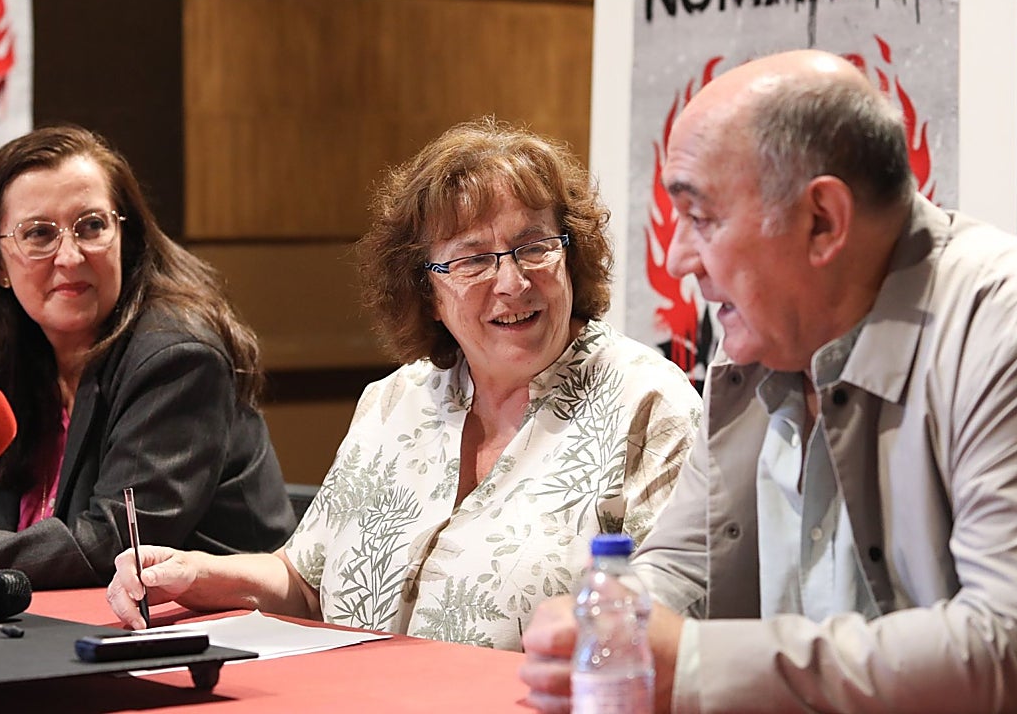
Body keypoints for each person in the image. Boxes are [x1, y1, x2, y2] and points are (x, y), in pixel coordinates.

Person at [520, 50, 1017, 713]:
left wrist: (693, 664)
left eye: (701, 219)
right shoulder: (765, 335)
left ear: (822, 222)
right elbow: (684, 567)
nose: (677, 258)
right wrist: (612, 619)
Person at [106, 117, 702, 650]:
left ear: (570, 257)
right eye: (473, 260)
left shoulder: (650, 407)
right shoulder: (395, 400)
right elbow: (306, 582)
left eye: (534, 247)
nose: (513, 282)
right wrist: (198, 573)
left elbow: (669, 630)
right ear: (427, 292)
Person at [0, 125, 295, 589]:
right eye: (39, 233)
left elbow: (114, 543)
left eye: (91, 226)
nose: (70, 255)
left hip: (210, 639)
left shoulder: (178, 359)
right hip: (46, 627)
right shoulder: (5, 357)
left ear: (125, 235)